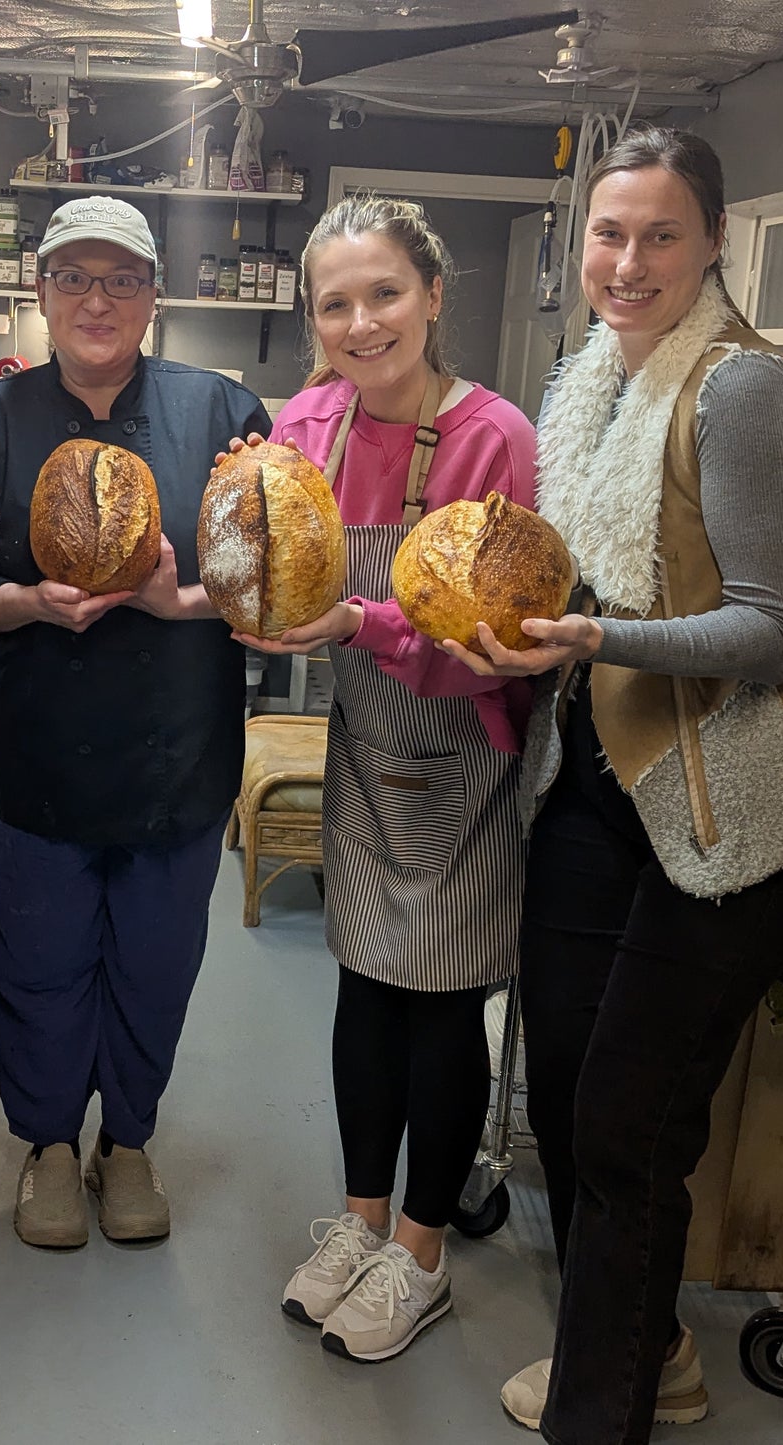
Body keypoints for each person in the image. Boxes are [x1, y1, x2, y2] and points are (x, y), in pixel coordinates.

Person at [440, 127, 783, 1444]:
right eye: (609, 233)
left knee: (627, 1121)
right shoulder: (591, 382)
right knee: (568, 1100)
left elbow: (775, 632)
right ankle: (656, 1347)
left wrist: (592, 636)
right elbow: (595, 573)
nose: (627, 261)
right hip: (601, 787)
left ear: (713, 242)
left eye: (659, 234)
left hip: (731, 820)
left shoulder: (744, 392)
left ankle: (601, 1409)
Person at [0, 196, 269, 1247]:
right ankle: (47, 1146)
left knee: (155, 961)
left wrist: (182, 602)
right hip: (36, 749)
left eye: (120, 278)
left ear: (153, 295)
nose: (96, 299)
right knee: (37, 961)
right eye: (72, 276)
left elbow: (266, 580)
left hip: (179, 746)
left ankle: (127, 1138)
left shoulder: (224, 414)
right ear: (38, 292)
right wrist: (24, 603)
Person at [227, 195, 537, 1361]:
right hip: (362, 736)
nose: (360, 323)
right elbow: (268, 555)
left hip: (463, 748)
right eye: (334, 303)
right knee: (363, 984)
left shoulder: (485, 435)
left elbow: (481, 635)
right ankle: (360, 1221)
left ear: (433, 295)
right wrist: (238, 517)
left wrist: (352, 617)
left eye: (383, 293)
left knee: (439, 1002)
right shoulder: (302, 418)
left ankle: (419, 1251)